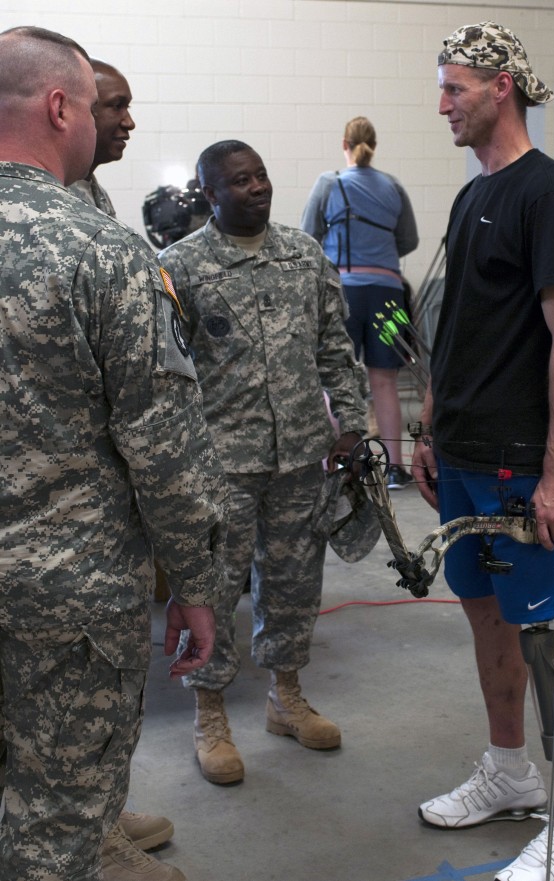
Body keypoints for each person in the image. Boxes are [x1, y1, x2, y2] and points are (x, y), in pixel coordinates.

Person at [0, 26, 228, 881]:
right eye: (96, 104)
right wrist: (198, 588)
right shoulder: (103, 251)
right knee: (56, 832)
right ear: (61, 108)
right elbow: (164, 449)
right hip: (68, 604)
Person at [411, 21, 554, 881]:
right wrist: (428, 422)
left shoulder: (546, 193)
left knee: (538, 631)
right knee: (485, 616)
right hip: (461, 448)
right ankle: (508, 771)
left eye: (455, 86)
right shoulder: (471, 196)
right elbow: (457, 325)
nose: (443, 101)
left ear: (503, 87)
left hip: (519, 458)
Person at [159, 140, 367, 786]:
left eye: (262, 176)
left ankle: (286, 695)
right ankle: (211, 712)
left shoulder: (303, 256)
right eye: (240, 181)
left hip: (302, 453)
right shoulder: (180, 267)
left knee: (294, 584)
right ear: (212, 195)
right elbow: (166, 372)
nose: (257, 188)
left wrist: (353, 423)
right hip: (222, 462)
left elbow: (336, 343)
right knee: (215, 592)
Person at [67, 54, 179, 872]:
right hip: (60, 504)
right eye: (116, 106)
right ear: (63, 107)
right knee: (64, 693)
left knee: (97, 688)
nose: (128, 121)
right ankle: (85, 839)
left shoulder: (93, 200)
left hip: (97, 501)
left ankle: (98, 811)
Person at [301, 116, 419, 489]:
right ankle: (396, 467)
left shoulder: (329, 182)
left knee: (336, 379)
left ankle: (334, 465)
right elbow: (409, 240)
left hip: (344, 292)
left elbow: (308, 235)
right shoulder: (393, 186)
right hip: (389, 294)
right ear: (374, 144)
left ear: (344, 144)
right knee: (385, 380)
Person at [69, 58, 134, 216]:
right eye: (117, 106)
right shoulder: (46, 194)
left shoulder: (96, 193)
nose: (130, 123)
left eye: (127, 107)